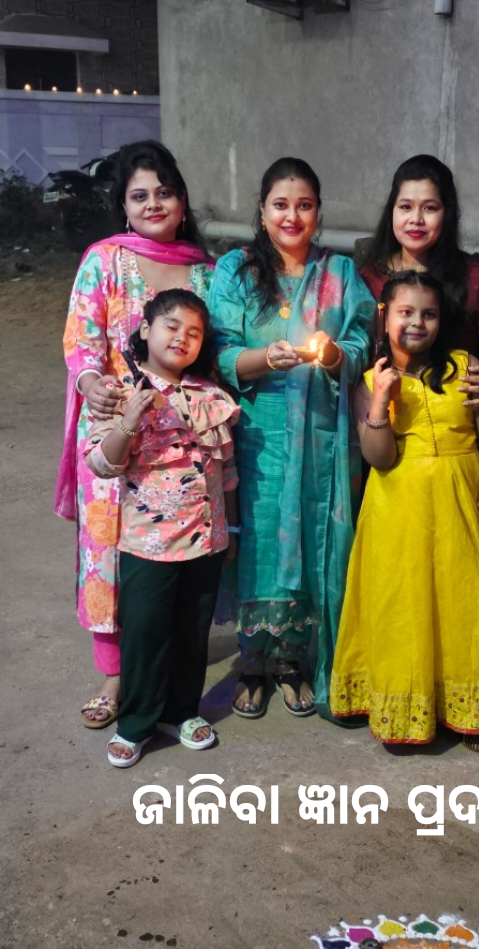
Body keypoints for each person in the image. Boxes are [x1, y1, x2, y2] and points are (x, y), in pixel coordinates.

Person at [330, 271, 479, 751]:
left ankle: (472, 711)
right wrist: (381, 402)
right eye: (405, 312)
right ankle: (408, 708)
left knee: (466, 605)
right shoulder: (369, 381)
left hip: (462, 505)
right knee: (405, 609)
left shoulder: (466, 368)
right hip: (397, 515)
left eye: (429, 314)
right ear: (385, 316)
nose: (417, 323)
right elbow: (380, 458)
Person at [54, 140, 214, 730]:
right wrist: (91, 382)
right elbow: (81, 337)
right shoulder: (104, 260)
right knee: (107, 552)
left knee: (172, 553)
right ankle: (114, 677)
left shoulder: (206, 271)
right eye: (139, 195)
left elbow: (214, 349)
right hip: (114, 428)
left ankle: (165, 673)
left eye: (164, 192)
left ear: (182, 200)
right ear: (123, 205)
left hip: (179, 442)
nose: (153, 204)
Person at [207, 157, 375, 721]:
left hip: (321, 435)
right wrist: (263, 358)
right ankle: (253, 663)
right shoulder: (236, 270)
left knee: (310, 539)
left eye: (304, 205)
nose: (292, 216)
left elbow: (361, 340)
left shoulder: (340, 273)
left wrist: (333, 355)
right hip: (256, 433)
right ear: (262, 210)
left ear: (318, 212)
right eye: (281, 204)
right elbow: (218, 349)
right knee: (258, 543)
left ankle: (291, 661)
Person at [84, 289, 239, 767]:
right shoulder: (119, 393)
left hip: (206, 539)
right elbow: (102, 463)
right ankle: (135, 725)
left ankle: (181, 712)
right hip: (147, 546)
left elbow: (226, 472)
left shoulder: (211, 395)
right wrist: (131, 420)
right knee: (146, 635)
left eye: (194, 332)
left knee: (192, 633)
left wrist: (231, 530)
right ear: (146, 329)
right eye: (172, 326)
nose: (182, 338)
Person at [361, 154, 479, 411]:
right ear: (391, 211)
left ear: (447, 213)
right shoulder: (366, 278)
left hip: (457, 418)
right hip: (381, 417)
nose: (416, 219)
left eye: (429, 208)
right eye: (405, 207)